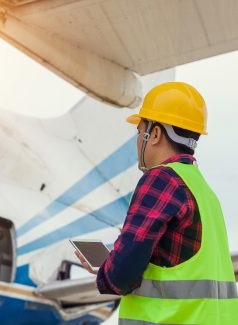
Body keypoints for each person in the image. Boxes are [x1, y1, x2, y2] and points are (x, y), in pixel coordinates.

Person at [76, 82, 238, 324]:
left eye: (140, 132)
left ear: (156, 134)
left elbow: (122, 276)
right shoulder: (205, 192)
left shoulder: (161, 180)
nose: (138, 140)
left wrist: (109, 269)